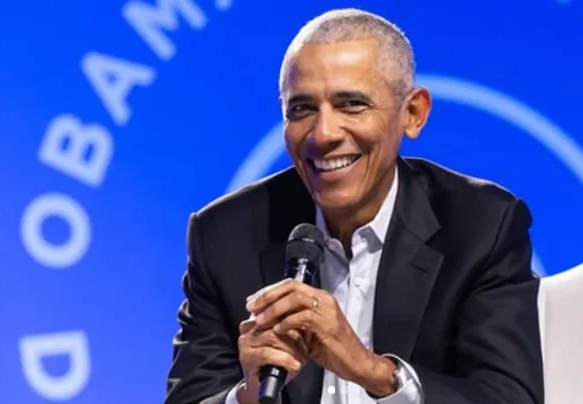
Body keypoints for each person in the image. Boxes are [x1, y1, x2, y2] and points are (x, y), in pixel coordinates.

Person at [165, 8, 544, 404]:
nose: (323, 134)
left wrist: (371, 370)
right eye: (302, 109)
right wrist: (247, 395)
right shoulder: (225, 235)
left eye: (351, 104)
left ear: (412, 113)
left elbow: (510, 398)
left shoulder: (482, 226)